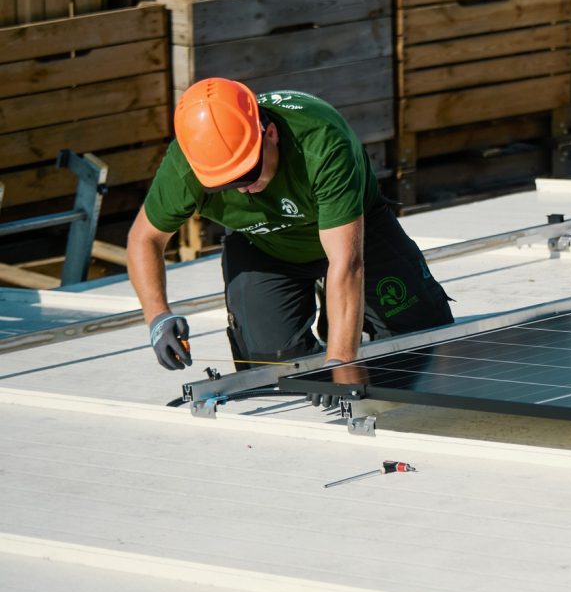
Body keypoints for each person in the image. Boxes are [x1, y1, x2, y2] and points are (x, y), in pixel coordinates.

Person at [128, 78, 452, 375]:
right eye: (226, 183)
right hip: (265, 246)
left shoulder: (321, 143)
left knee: (424, 342)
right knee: (274, 367)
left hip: (354, 236)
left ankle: (336, 305)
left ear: (270, 134)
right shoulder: (187, 166)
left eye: (248, 174)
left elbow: (347, 263)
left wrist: (342, 361)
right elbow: (145, 239)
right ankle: (330, 309)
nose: (243, 189)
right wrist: (158, 317)